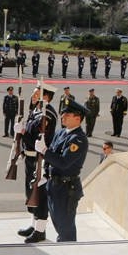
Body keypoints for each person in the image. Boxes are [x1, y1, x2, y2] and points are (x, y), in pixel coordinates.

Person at [35, 99, 89, 242]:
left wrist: (44, 151)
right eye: (63, 114)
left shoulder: (78, 139)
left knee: (65, 227)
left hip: (67, 189)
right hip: (54, 185)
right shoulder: (61, 133)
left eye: (67, 115)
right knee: (57, 222)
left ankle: (68, 251)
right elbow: (52, 155)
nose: (63, 116)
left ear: (78, 118)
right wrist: (44, 173)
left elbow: (64, 162)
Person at [16, 83, 58, 243]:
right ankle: (34, 226)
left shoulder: (46, 114)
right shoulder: (37, 110)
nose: (33, 96)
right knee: (31, 193)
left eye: (36, 94)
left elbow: (35, 136)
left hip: (39, 159)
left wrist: (23, 132)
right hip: (31, 157)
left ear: (45, 96)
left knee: (39, 195)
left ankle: (41, 231)